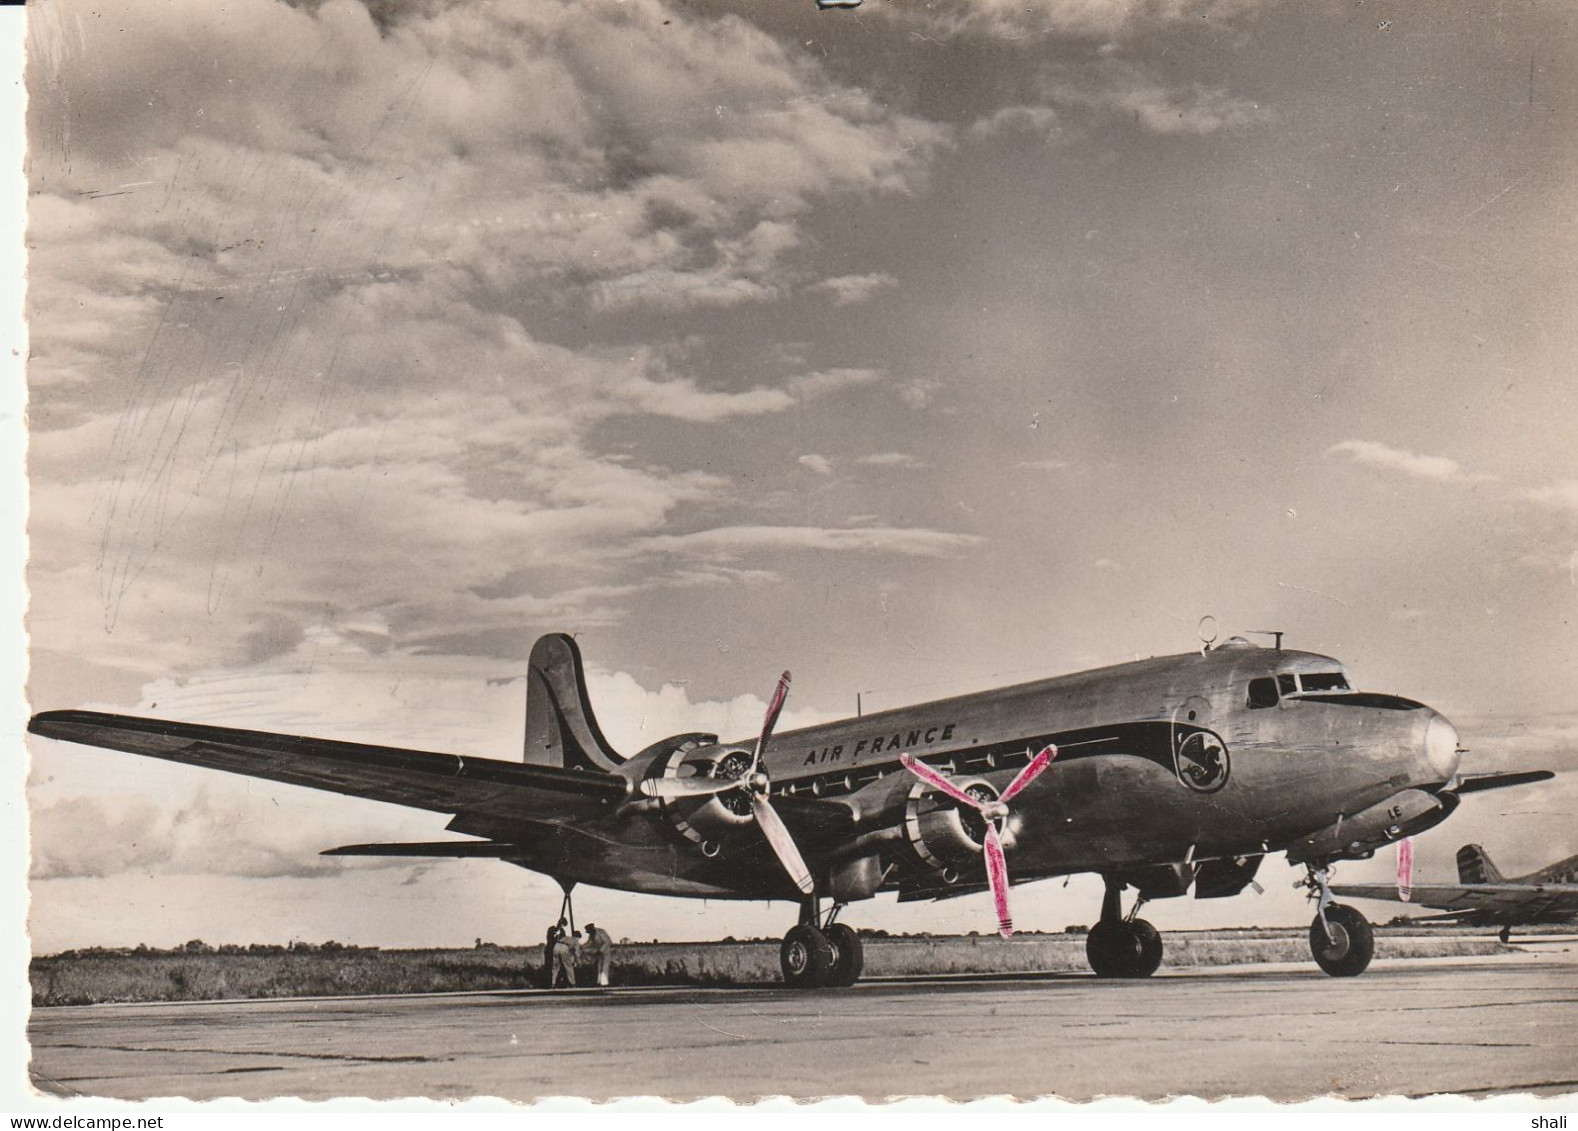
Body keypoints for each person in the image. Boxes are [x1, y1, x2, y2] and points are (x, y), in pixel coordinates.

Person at [583, 922, 613, 986]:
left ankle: (604, 982)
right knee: (599, 966)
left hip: (605, 950)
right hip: (599, 950)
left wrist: (601, 950)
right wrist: (582, 947)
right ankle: (599, 981)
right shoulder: (592, 935)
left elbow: (607, 942)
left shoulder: (601, 932)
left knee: (605, 966)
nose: (589, 933)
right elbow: (589, 943)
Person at [542, 918, 566, 988]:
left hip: (556, 951)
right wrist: (555, 934)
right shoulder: (551, 929)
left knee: (556, 967)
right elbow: (549, 938)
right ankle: (547, 984)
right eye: (562, 924)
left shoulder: (562, 932)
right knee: (548, 967)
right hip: (549, 950)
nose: (562, 926)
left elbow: (563, 941)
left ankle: (555, 983)